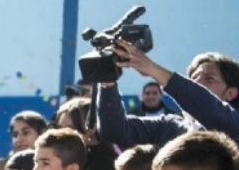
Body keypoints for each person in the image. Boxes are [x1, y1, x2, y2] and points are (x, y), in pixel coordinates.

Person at [97, 42, 239, 148]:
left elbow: (211, 111)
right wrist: (107, 83)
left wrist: (152, 69)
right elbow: (114, 131)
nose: (198, 83)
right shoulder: (170, 126)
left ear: (231, 93)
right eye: (193, 78)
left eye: (209, 79)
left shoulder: (234, 123)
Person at [55, 97, 119, 170]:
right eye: (60, 129)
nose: (62, 134)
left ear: (92, 128)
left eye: (70, 129)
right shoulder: (61, 156)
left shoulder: (107, 165)